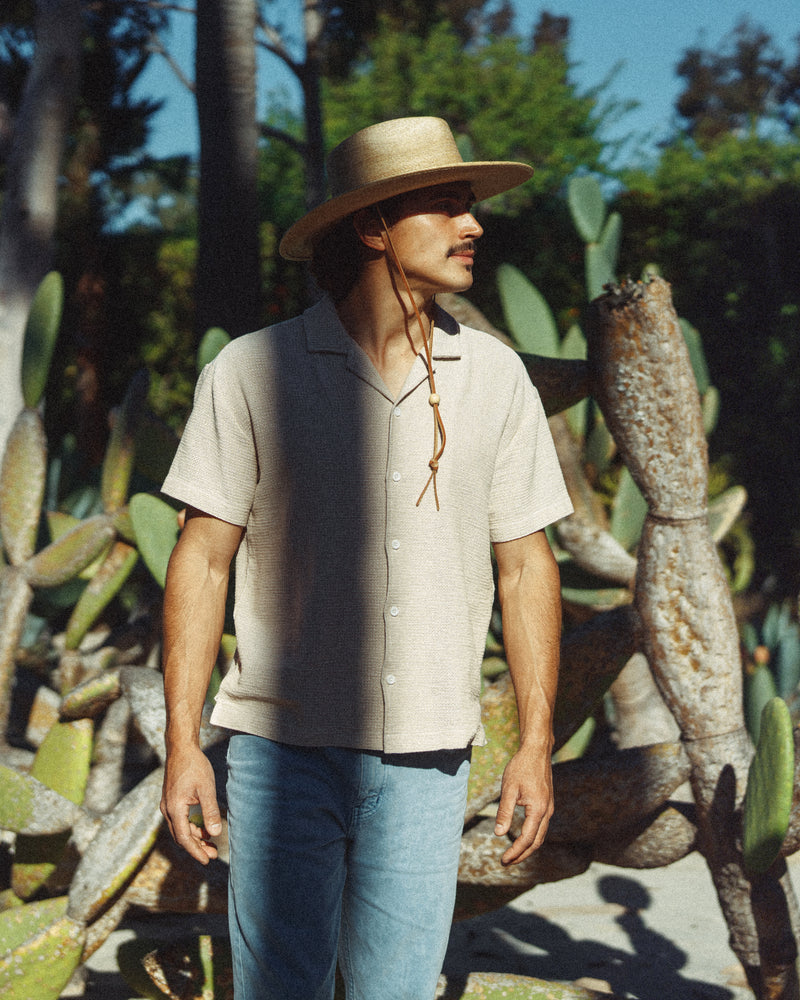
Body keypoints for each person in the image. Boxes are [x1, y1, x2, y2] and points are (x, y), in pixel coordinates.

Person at [159, 116, 573, 1000]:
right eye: (448, 206)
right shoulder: (250, 372)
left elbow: (527, 567)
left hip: (429, 760)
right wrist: (181, 743)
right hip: (280, 749)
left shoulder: (496, 379)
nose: (475, 227)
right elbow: (199, 562)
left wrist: (536, 743)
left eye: (473, 208)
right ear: (373, 226)